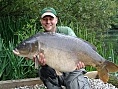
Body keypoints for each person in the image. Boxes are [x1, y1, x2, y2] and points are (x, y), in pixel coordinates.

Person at [35, 7, 90, 89]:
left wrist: (81, 61)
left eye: (51, 19)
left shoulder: (66, 31)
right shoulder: (40, 38)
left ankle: (80, 81)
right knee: (43, 71)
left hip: (72, 69)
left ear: (56, 20)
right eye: (45, 19)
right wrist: (42, 64)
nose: (48, 22)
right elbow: (36, 61)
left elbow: (78, 47)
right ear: (41, 21)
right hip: (56, 72)